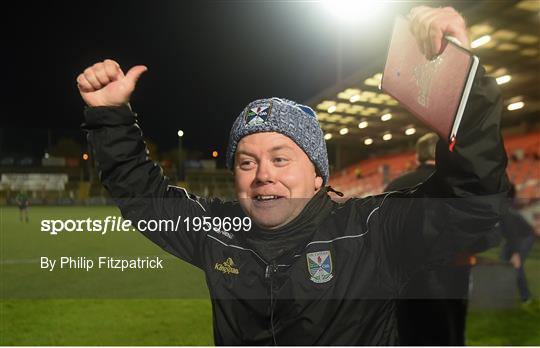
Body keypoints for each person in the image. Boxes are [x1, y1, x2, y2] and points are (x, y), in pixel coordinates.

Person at [76, 6, 509, 345]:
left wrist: (460, 81)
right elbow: (142, 195)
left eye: (281, 159)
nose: (263, 174)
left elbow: (471, 200)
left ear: (318, 175)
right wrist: (111, 115)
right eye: (246, 162)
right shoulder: (219, 233)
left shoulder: (372, 232)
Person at [386, 132, 471, 345]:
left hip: (404, 279)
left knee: (407, 335)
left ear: (417, 157)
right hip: (450, 277)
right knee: (451, 334)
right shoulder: (459, 186)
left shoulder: (394, 186)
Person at [499, 184, 536, 305]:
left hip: (525, 236)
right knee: (503, 260)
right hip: (514, 236)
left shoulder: (504, 210)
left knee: (516, 265)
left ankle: (526, 297)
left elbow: (512, 233)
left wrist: (516, 254)